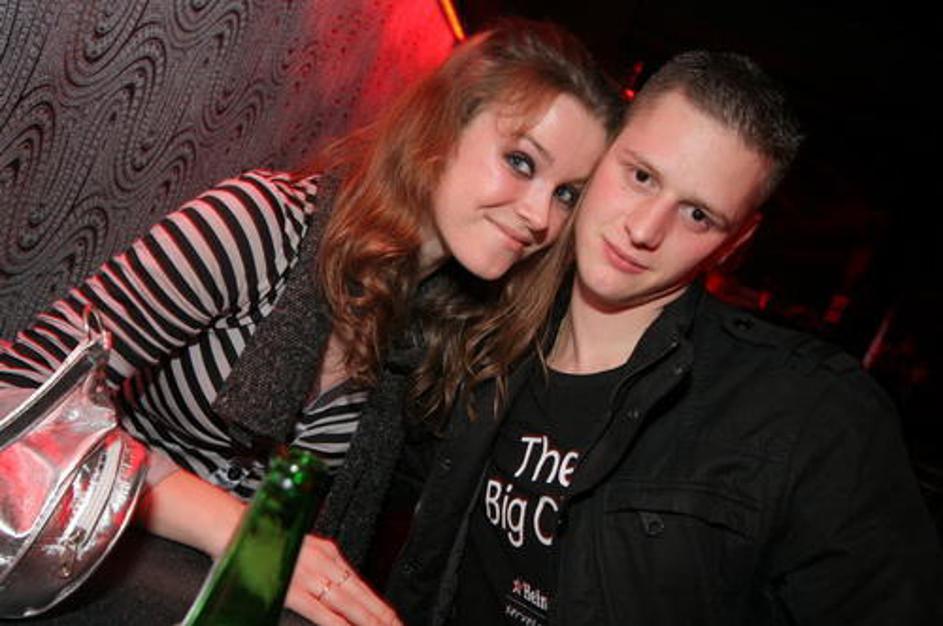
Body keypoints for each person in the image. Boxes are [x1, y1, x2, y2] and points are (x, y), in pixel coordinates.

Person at [0, 21, 622, 626]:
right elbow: (17, 393)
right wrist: (235, 526)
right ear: (441, 129)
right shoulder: (261, 226)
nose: (540, 216)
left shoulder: (435, 331)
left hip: (217, 593)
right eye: (521, 161)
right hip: (83, 559)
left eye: (567, 193)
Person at [387, 51, 943, 625]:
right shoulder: (483, 327)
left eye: (697, 215)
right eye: (641, 176)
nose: (644, 230)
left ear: (736, 241)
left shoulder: (811, 416)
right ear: (603, 152)